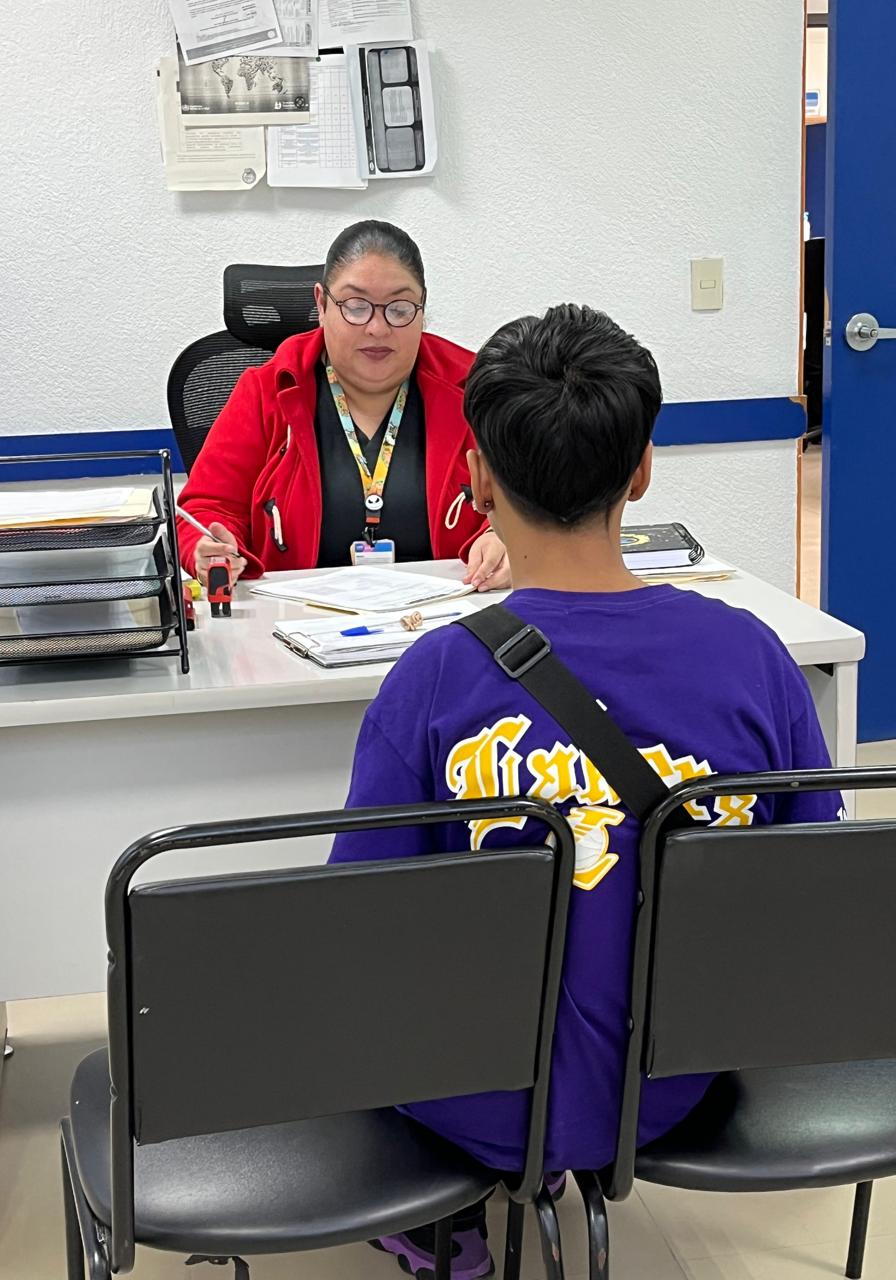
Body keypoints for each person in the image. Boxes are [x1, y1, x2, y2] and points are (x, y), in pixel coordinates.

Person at [329, 303, 841, 1280]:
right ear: (642, 469)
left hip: (473, 1095)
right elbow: (813, 887)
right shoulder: (752, 655)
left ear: (477, 475)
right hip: (674, 1086)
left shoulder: (432, 677)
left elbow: (359, 927)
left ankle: (450, 1220)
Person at [176, 221, 510, 590]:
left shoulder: (476, 388)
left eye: (399, 309)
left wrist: (504, 538)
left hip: (448, 610)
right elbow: (205, 511)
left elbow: (529, 502)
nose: (377, 328)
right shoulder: (268, 390)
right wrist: (210, 548)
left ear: (422, 306)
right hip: (293, 614)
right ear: (321, 304)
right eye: (356, 306)